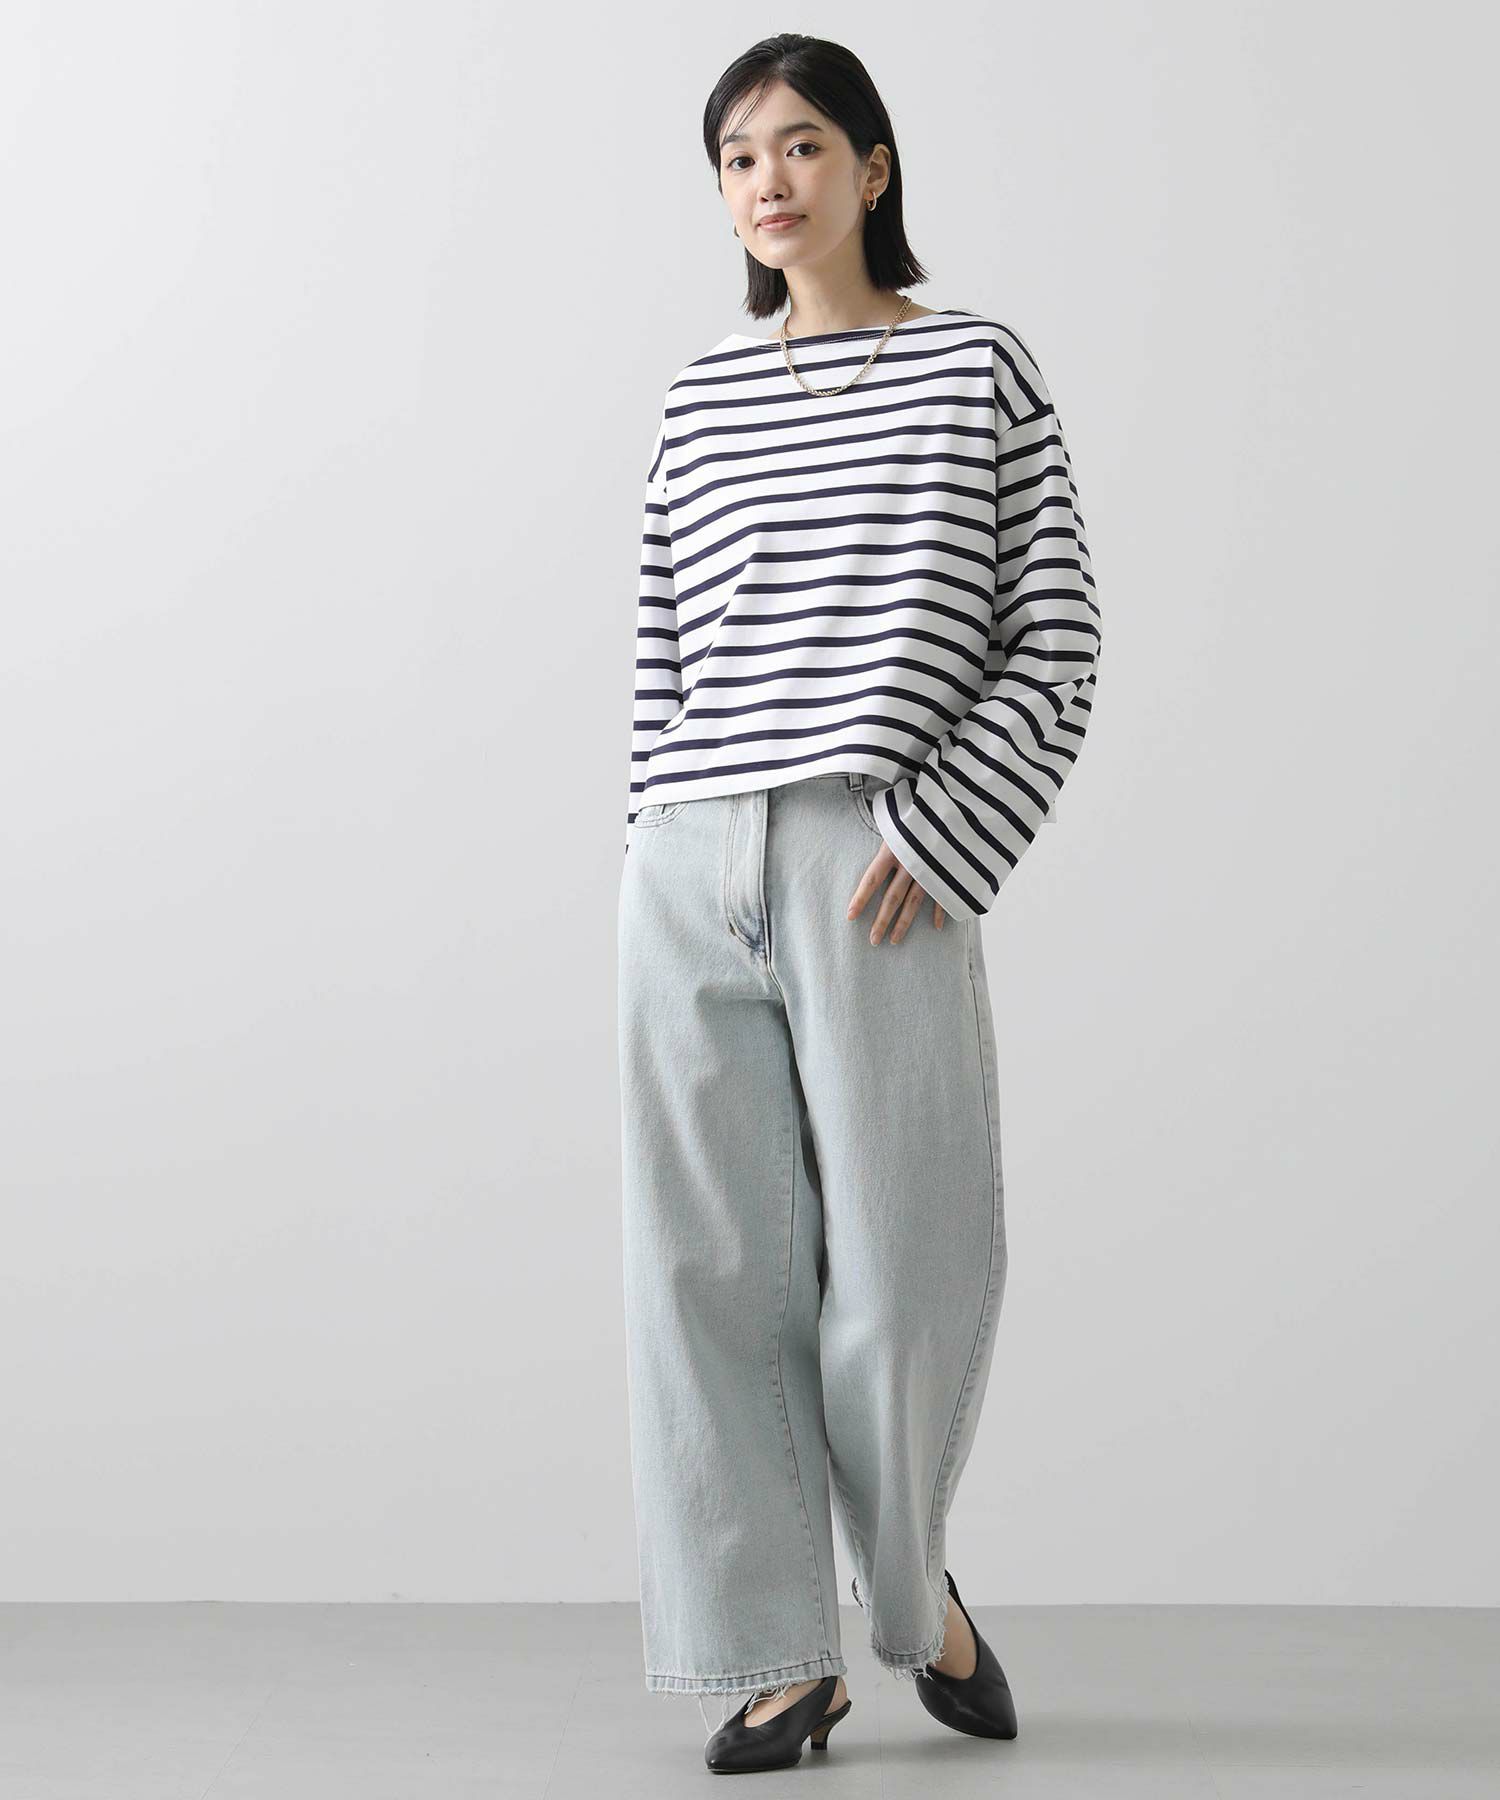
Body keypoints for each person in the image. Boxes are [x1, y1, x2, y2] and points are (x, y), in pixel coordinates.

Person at [616, 31, 1101, 1775]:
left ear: (873, 168)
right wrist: (654, 841)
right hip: (691, 866)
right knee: (705, 1276)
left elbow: (1056, 638)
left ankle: (912, 1599)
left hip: (876, 861)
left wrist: (948, 829)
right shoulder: (699, 399)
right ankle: (777, 1655)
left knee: (906, 1261)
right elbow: (664, 656)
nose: (772, 179)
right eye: (740, 156)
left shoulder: (977, 366)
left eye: (805, 143)